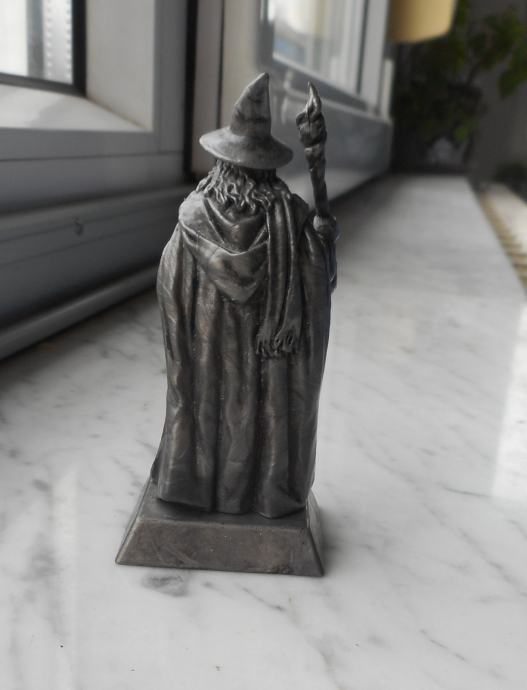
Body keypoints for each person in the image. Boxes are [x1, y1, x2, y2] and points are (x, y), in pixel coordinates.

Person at [151, 73, 337, 518]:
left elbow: (170, 290)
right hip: (269, 361)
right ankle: (262, 489)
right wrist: (319, 185)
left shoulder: (193, 216)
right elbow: (322, 274)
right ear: (267, 167)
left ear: (222, 163)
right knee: (264, 411)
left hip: (209, 356)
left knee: (207, 406)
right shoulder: (290, 220)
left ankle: (199, 487)